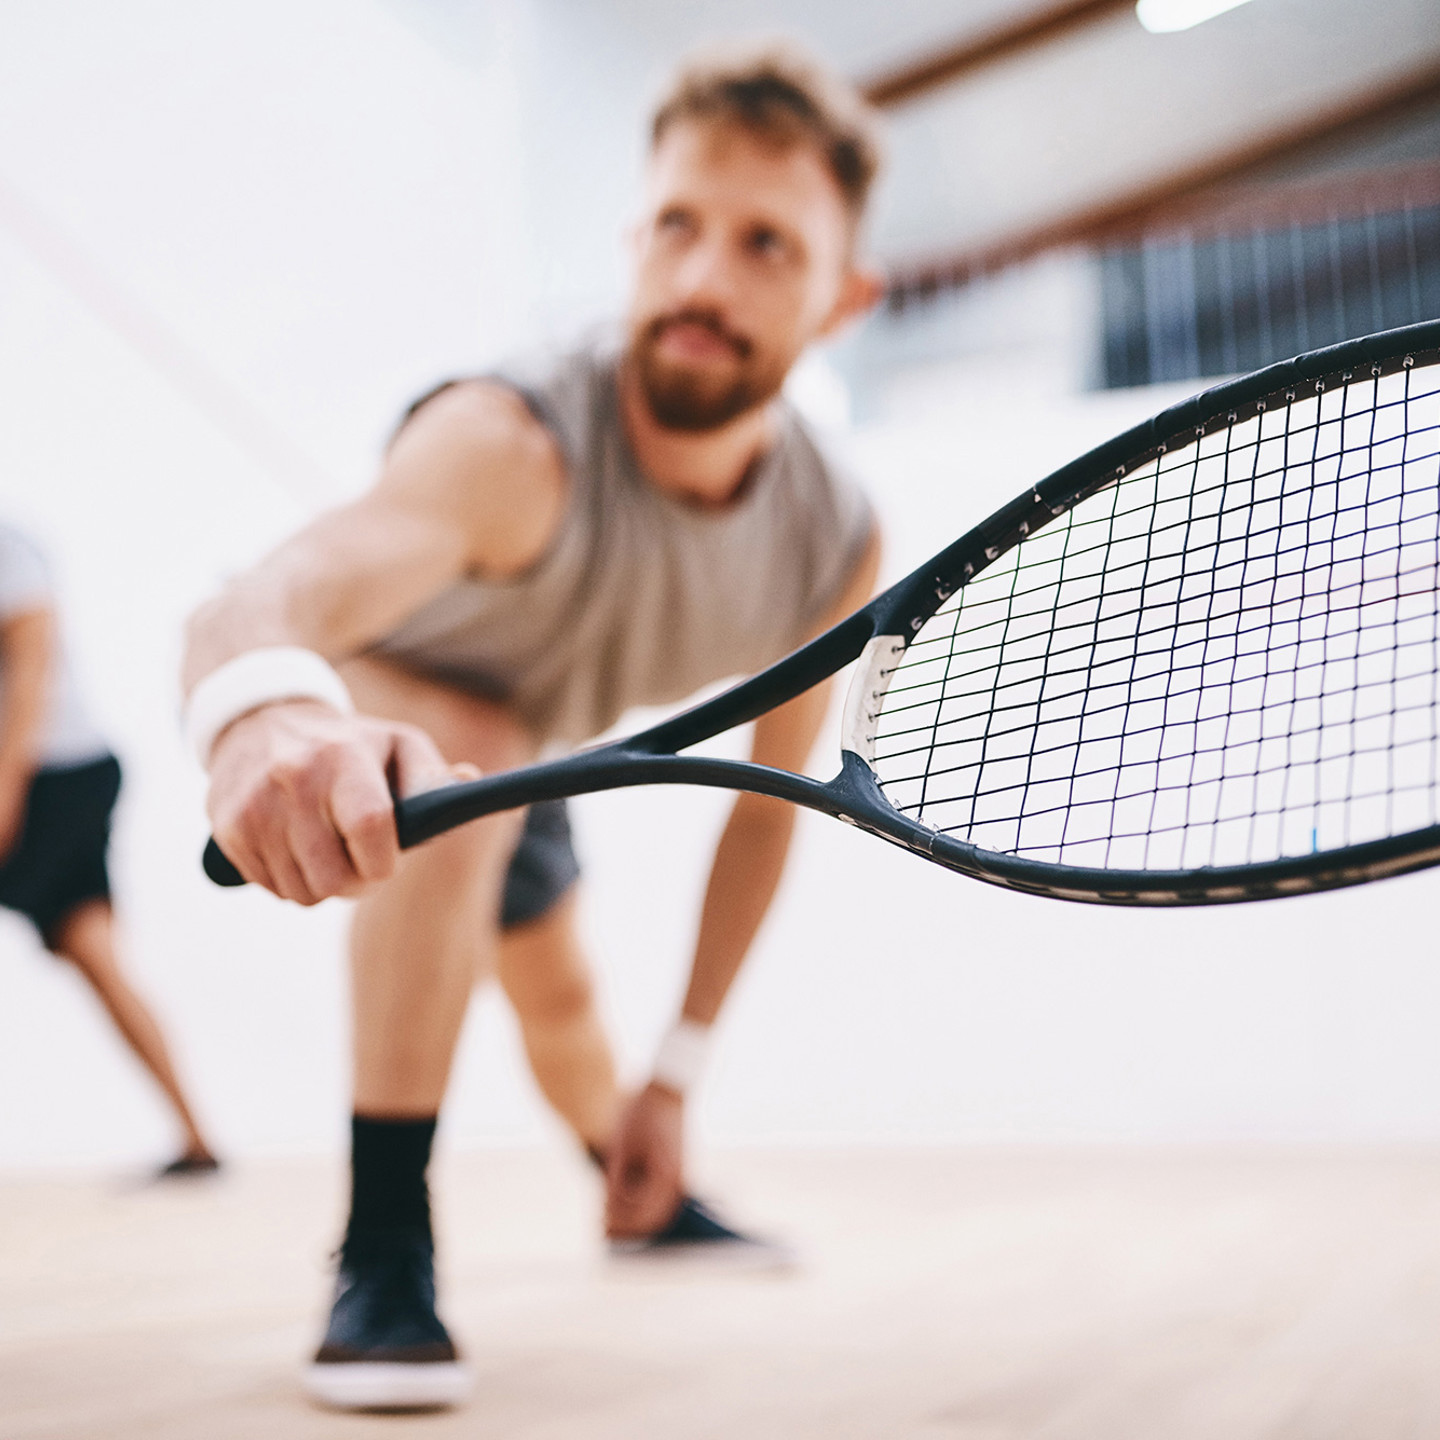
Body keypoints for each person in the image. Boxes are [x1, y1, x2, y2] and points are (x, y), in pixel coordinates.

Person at [183, 42, 884, 1412]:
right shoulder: (511, 444)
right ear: (633, 239)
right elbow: (259, 596)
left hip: (539, 743)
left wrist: (677, 1074)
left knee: (565, 1006)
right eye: (676, 226)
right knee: (465, 749)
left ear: (844, 299)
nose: (701, 280)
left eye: (764, 247)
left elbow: (766, 808)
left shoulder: (831, 539)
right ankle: (382, 1246)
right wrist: (260, 712)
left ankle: (638, 1183)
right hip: (400, 726)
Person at [0, 521, 218, 1177]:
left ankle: (196, 1136)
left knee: (94, 950)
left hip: (52, 775)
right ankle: (196, 1137)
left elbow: (32, 673)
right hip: (40, 776)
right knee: (93, 951)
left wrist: (7, 792)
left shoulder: (9, 547)